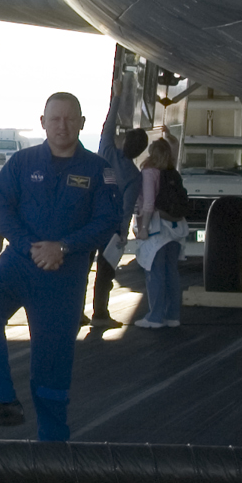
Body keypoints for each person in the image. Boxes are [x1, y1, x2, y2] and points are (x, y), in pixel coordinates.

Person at [0, 92, 125, 441]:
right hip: (19, 265)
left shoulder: (99, 171)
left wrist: (63, 247)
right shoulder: (21, 164)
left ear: (82, 123)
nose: (62, 125)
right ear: (43, 122)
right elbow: (3, 210)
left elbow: (108, 218)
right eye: (55, 119)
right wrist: (29, 246)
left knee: (51, 363)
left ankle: (53, 443)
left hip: (63, 275)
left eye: (70, 119)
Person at [88, 127, 150, 335]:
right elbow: (127, 207)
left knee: (81, 270)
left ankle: (76, 312)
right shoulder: (134, 175)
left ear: (124, 141)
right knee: (105, 273)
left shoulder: (106, 153)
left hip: (87, 221)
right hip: (111, 227)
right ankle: (100, 314)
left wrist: (116, 97)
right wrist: (123, 232)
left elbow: (106, 127)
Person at [129, 130, 191, 328]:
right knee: (171, 272)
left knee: (154, 272)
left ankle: (154, 316)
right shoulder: (171, 172)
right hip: (175, 227)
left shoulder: (149, 173)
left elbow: (148, 204)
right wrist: (172, 139)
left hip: (156, 228)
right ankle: (172, 315)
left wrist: (143, 228)